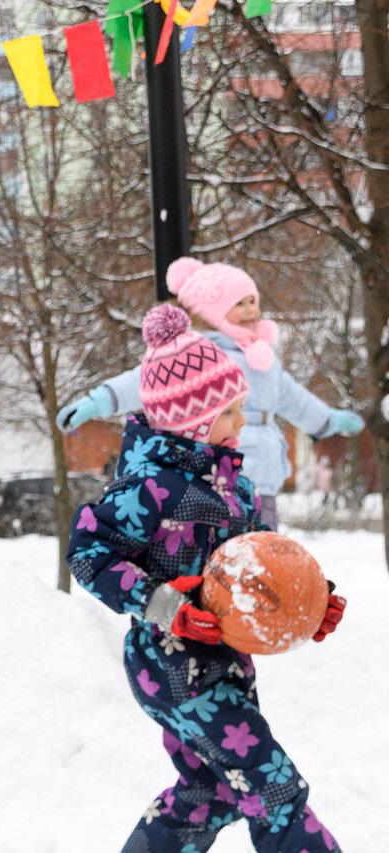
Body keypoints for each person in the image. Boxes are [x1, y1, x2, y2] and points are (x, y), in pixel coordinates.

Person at [67, 304, 346, 851]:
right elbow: (87, 551)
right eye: (231, 412)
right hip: (172, 669)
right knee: (274, 787)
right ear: (189, 419)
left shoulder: (234, 488)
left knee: (208, 795)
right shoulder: (149, 491)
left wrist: (308, 605)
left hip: (223, 664)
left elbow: (260, 566)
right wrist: (160, 603)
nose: (243, 422)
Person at [57, 257, 364, 529]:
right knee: (228, 556)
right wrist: (97, 402)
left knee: (263, 556)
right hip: (219, 476)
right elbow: (145, 381)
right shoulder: (198, 352)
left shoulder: (264, 359)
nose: (250, 310)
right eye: (238, 304)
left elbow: (294, 399)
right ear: (211, 311)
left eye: (252, 301)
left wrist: (331, 421)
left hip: (265, 480)